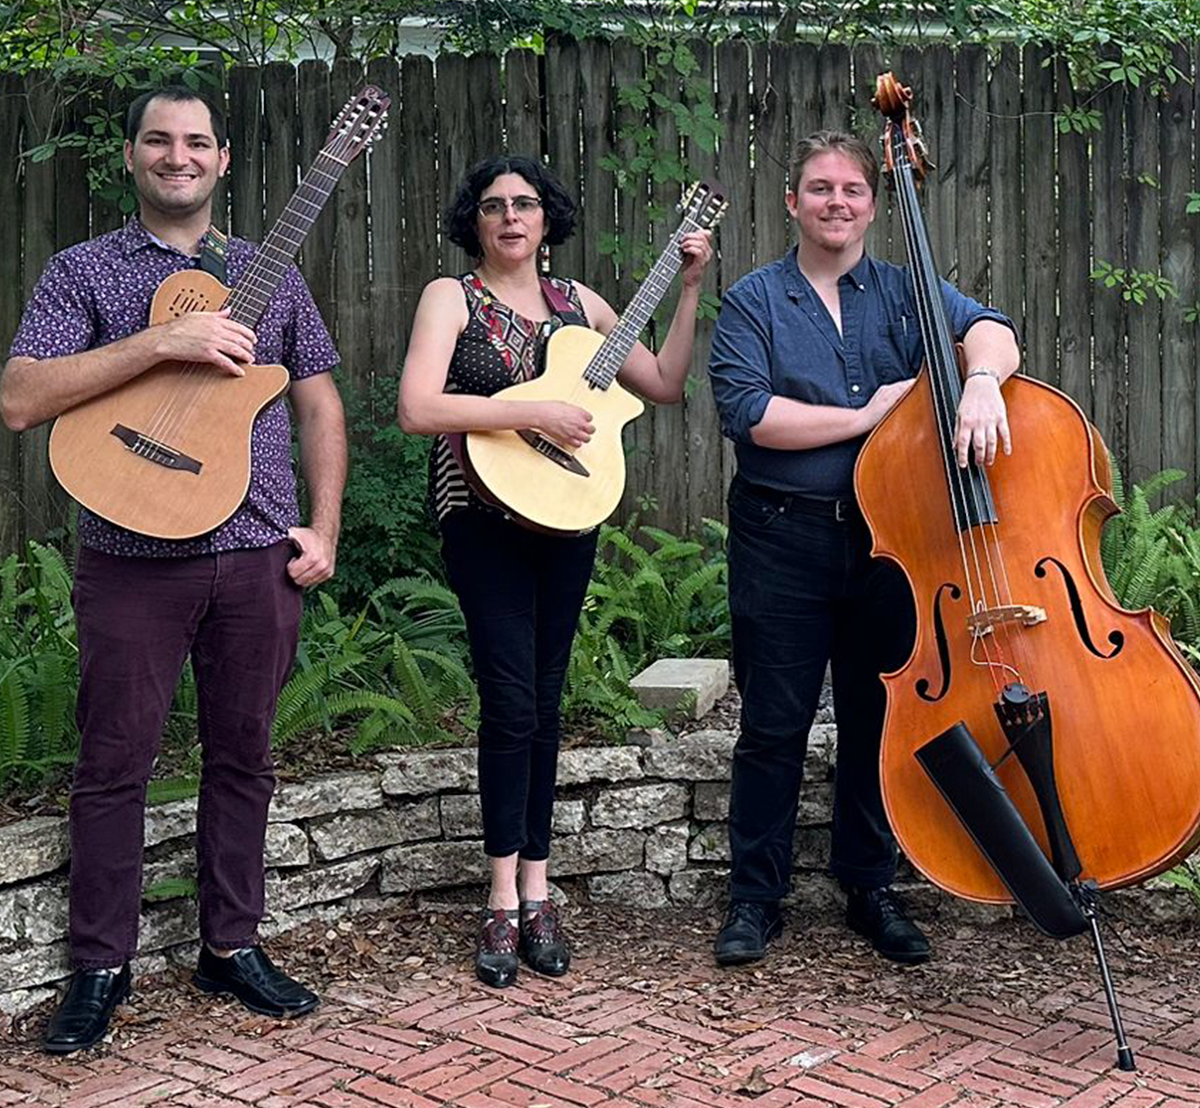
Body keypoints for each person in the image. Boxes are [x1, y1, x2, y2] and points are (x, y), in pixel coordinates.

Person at [0, 86, 347, 1052]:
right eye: (159, 140)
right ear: (131, 157)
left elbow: (316, 405)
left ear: (224, 160)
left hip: (257, 557)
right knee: (114, 765)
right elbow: (21, 397)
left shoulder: (270, 275)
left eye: (197, 141)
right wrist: (163, 340)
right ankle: (99, 964)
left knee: (246, 758)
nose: (178, 155)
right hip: (130, 560)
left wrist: (322, 527)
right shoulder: (86, 271)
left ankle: (230, 945)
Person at [707, 130, 1019, 967]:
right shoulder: (753, 300)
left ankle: (870, 887)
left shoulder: (908, 290)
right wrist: (866, 416)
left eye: (851, 189)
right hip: (782, 537)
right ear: (792, 202)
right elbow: (750, 414)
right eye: (819, 189)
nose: (835, 202)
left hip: (894, 545)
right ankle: (755, 899)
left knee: (878, 722)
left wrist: (981, 378)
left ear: (873, 205)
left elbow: (992, 327)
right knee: (773, 726)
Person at [398, 155, 711, 987]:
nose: (509, 217)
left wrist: (685, 289)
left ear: (546, 219)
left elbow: (667, 383)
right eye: (494, 205)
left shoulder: (583, 308)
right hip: (482, 519)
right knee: (507, 700)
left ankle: (541, 888)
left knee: (544, 698)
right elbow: (417, 407)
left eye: (525, 204)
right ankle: (501, 896)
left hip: (567, 516)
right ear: (476, 220)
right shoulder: (450, 299)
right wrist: (532, 408)